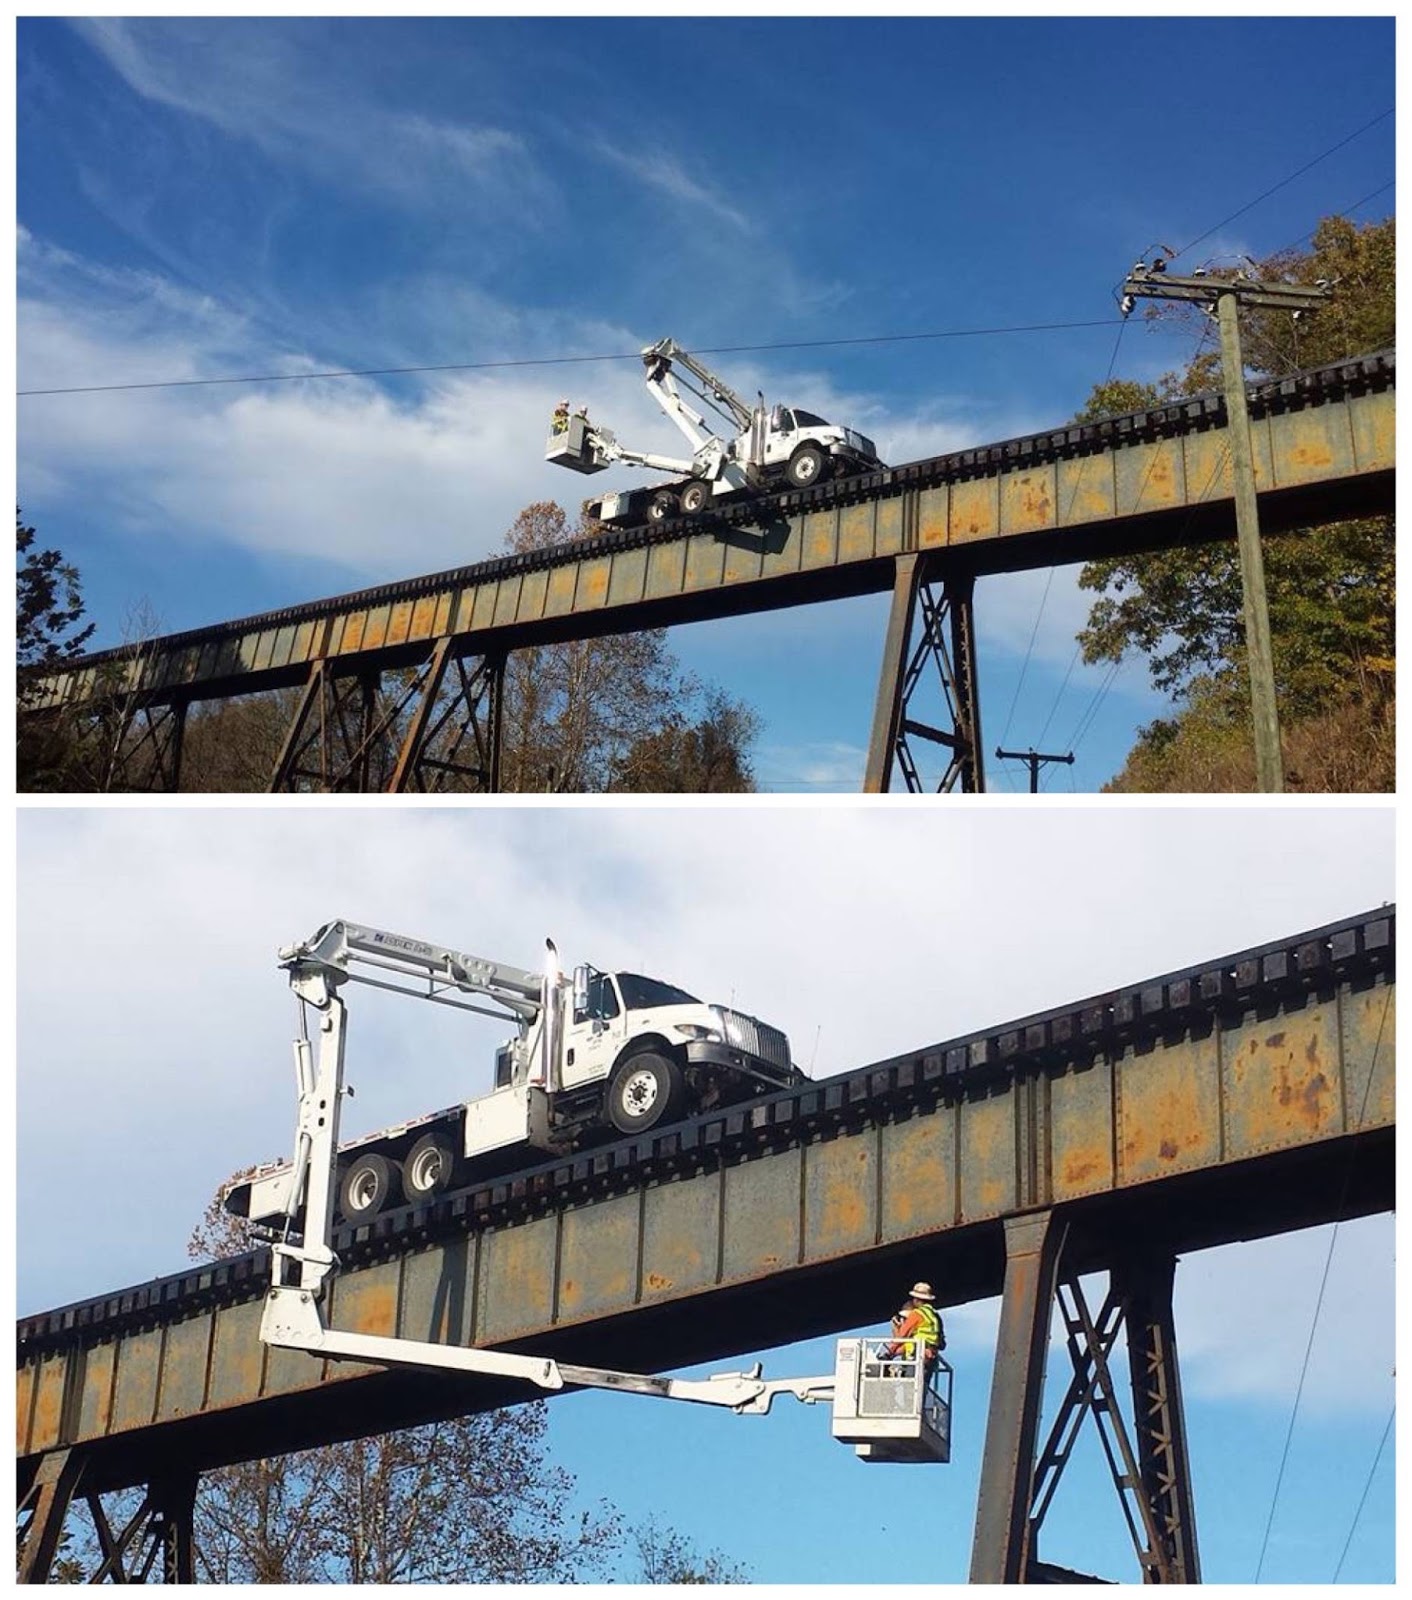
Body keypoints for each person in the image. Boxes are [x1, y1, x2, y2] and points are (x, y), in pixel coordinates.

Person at [884, 1281, 943, 1368]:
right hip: (931, 1357)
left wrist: (888, 1353)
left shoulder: (917, 1314)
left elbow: (902, 1336)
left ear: (916, 1299)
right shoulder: (935, 1315)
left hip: (918, 1356)